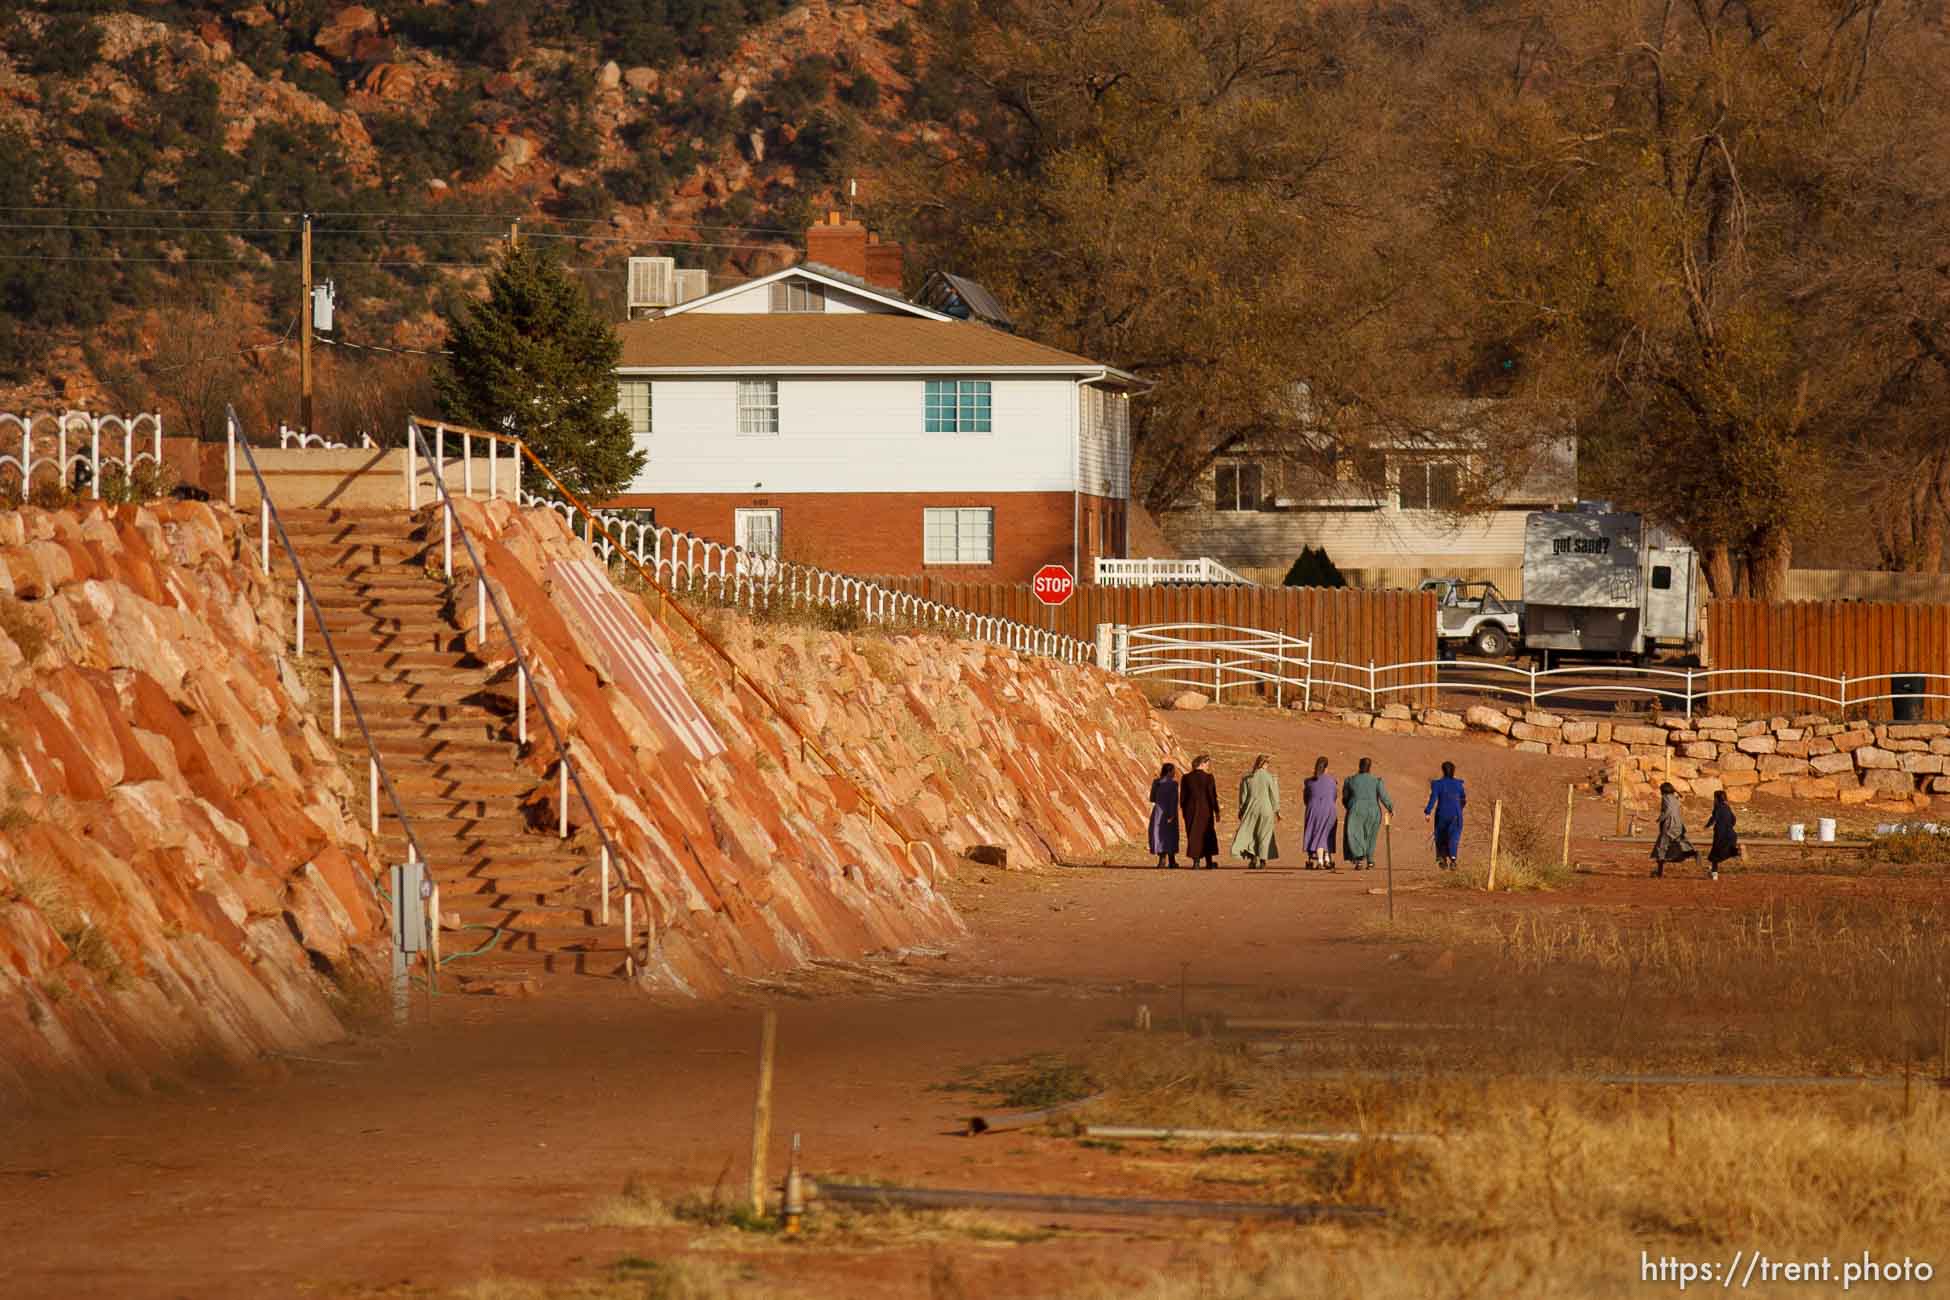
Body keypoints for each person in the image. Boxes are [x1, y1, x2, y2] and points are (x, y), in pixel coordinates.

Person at [1341, 757, 1394, 871]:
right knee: (1371, 836)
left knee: (1356, 834)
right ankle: (1370, 861)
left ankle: (1359, 861)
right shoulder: (1376, 781)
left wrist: (1349, 806)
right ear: (1370, 767)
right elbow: (1383, 796)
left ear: (1359, 766)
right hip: (1374, 810)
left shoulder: (1350, 780)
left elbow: (1345, 797)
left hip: (1356, 810)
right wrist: (1390, 808)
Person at [1232, 754, 1281, 869]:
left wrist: (1241, 810)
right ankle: (1263, 860)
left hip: (1251, 808)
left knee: (1252, 834)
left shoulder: (1248, 778)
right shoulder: (1270, 777)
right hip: (1266, 809)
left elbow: (1243, 797)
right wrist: (1277, 810)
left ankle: (1253, 860)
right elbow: (1274, 796)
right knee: (1264, 835)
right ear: (1265, 764)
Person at [1650, 781, 1699, 877]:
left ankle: (1659, 872)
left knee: (1661, 847)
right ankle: (1694, 853)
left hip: (1669, 825)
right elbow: (1681, 798)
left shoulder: (1665, 797)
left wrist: (1660, 818)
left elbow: (1668, 810)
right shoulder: (1675, 798)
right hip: (1678, 825)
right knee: (1680, 842)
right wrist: (1676, 790)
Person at [1180, 754, 1221, 870]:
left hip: (1190, 810)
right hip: (1205, 810)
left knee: (1193, 834)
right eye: (1207, 764)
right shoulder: (1209, 778)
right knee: (1207, 833)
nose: (1208, 766)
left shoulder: (1186, 778)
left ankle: (1196, 862)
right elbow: (1212, 796)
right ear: (1201, 764)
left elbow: (1182, 798)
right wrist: (1216, 811)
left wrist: (1184, 812)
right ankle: (1209, 862)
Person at [1425, 760, 1466, 871]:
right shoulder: (1459, 784)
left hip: (1441, 813)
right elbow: (1463, 799)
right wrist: (1459, 809)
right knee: (1454, 836)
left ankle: (1442, 858)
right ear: (1453, 771)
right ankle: (1453, 859)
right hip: (1456, 814)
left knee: (1440, 835)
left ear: (1443, 770)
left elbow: (1433, 798)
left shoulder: (1437, 784)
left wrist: (1428, 812)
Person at [1302, 756, 1339, 870]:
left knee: (1316, 833)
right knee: (1327, 833)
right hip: (1329, 809)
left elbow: (1305, 798)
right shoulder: (1333, 781)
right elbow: (1334, 796)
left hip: (1313, 809)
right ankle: (1325, 859)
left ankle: (1320, 860)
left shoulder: (1308, 782)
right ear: (1326, 767)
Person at [1148, 762, 1181, 869]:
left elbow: (1152, 798)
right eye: (1173, 771)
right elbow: (1174, 800)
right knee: (1170, 835)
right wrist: (1172, 814)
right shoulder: (1173, 784)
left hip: (1158, 812)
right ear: (1170, 772)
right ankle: (1172, 861)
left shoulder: (1156, 782)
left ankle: (1162, 860)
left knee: (1159, 834)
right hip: (1169, 812)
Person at [1705, 788, 1739, 882]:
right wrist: (1729, 826)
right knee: (1725, 852)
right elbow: (1733, 819)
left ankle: (1714, 874)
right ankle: (1736, 852)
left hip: (1721, 835)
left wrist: (1707, 826)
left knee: (1714, 856)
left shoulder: (1718, 807)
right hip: (1731, 835)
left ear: (1716, 799)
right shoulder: (1727, 807)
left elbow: (1714, 818)